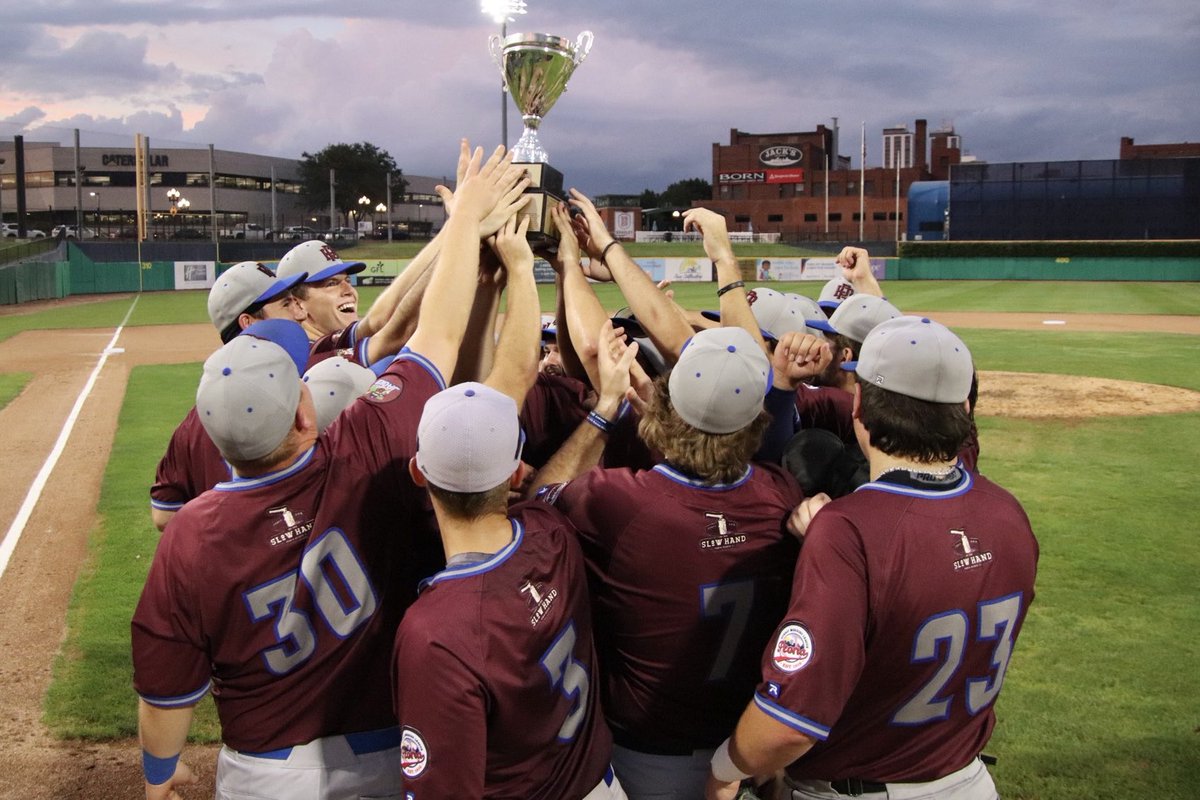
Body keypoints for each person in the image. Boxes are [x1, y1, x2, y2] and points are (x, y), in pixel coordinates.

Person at [131, 143, 530, 800]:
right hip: (383, 753)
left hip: (263, 774)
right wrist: (466, 220)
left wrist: (158, 775)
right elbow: (435, 335)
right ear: (303, 418)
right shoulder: (365, 448)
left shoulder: (191, 536)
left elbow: (166, 692)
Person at [706, 316, 1039, 800]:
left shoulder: (849, 530)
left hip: (865, 789)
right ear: (964, 409)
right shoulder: (1007, 511)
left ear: (858, 404)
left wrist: (725, 767)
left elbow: (790, 724)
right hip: (969, 781)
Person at [532, 323, 809, 800]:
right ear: (756, 420)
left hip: (648, 756)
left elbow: (540, 500)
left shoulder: (618, 503)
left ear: (667, 405)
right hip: (745, 745)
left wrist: (603, 412)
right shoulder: (779, 491)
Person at [148, 261, 309, 530]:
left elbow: (164, 515)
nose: (300, 314)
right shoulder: (304, 398)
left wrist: (226, 539)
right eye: (286, 305)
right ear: (248, 323)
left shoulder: (193, 425)